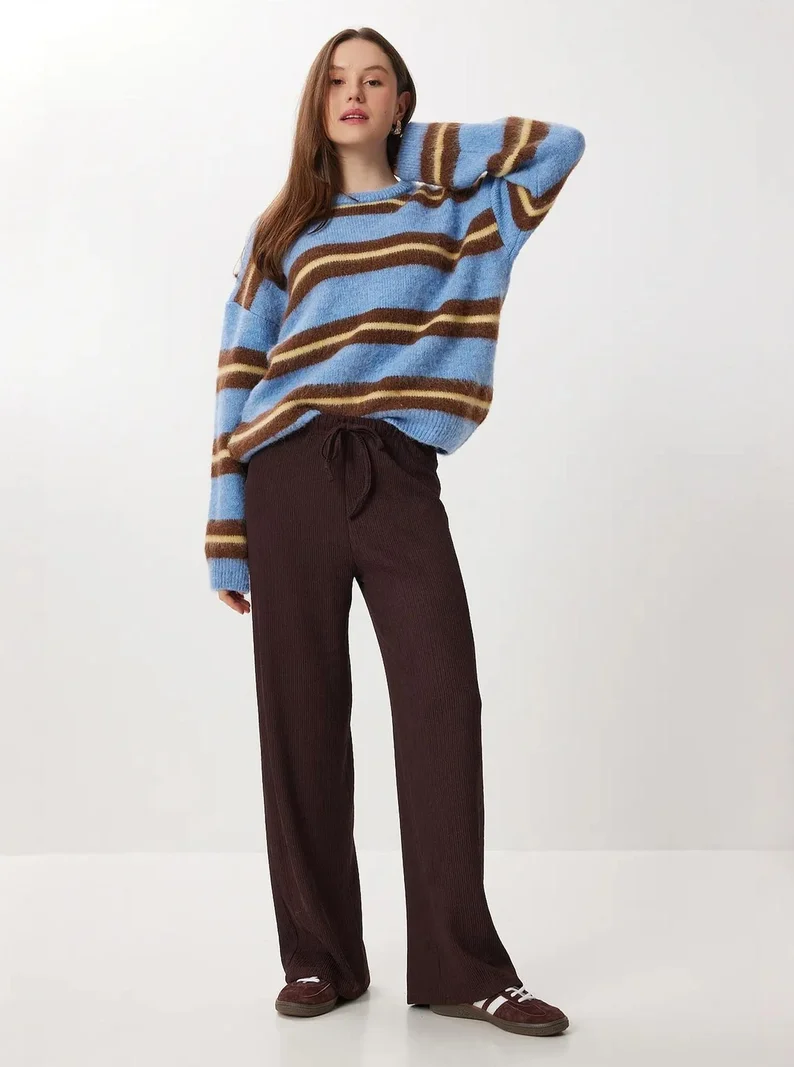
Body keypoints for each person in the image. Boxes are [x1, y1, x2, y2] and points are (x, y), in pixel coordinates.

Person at [204, 26, 585, 1038]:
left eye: (375, 80)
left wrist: (411, 148)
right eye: (336, 80)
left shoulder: (457, 210)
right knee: (299, 715)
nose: (353, 93)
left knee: (440, 701)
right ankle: (319, 959)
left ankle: (461, 966)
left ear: (402, 100)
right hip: (285, 472)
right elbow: (238, 374)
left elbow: (557, 147)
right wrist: (227, 528)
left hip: (398, 471)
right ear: (313, 99)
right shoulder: (282, 229)